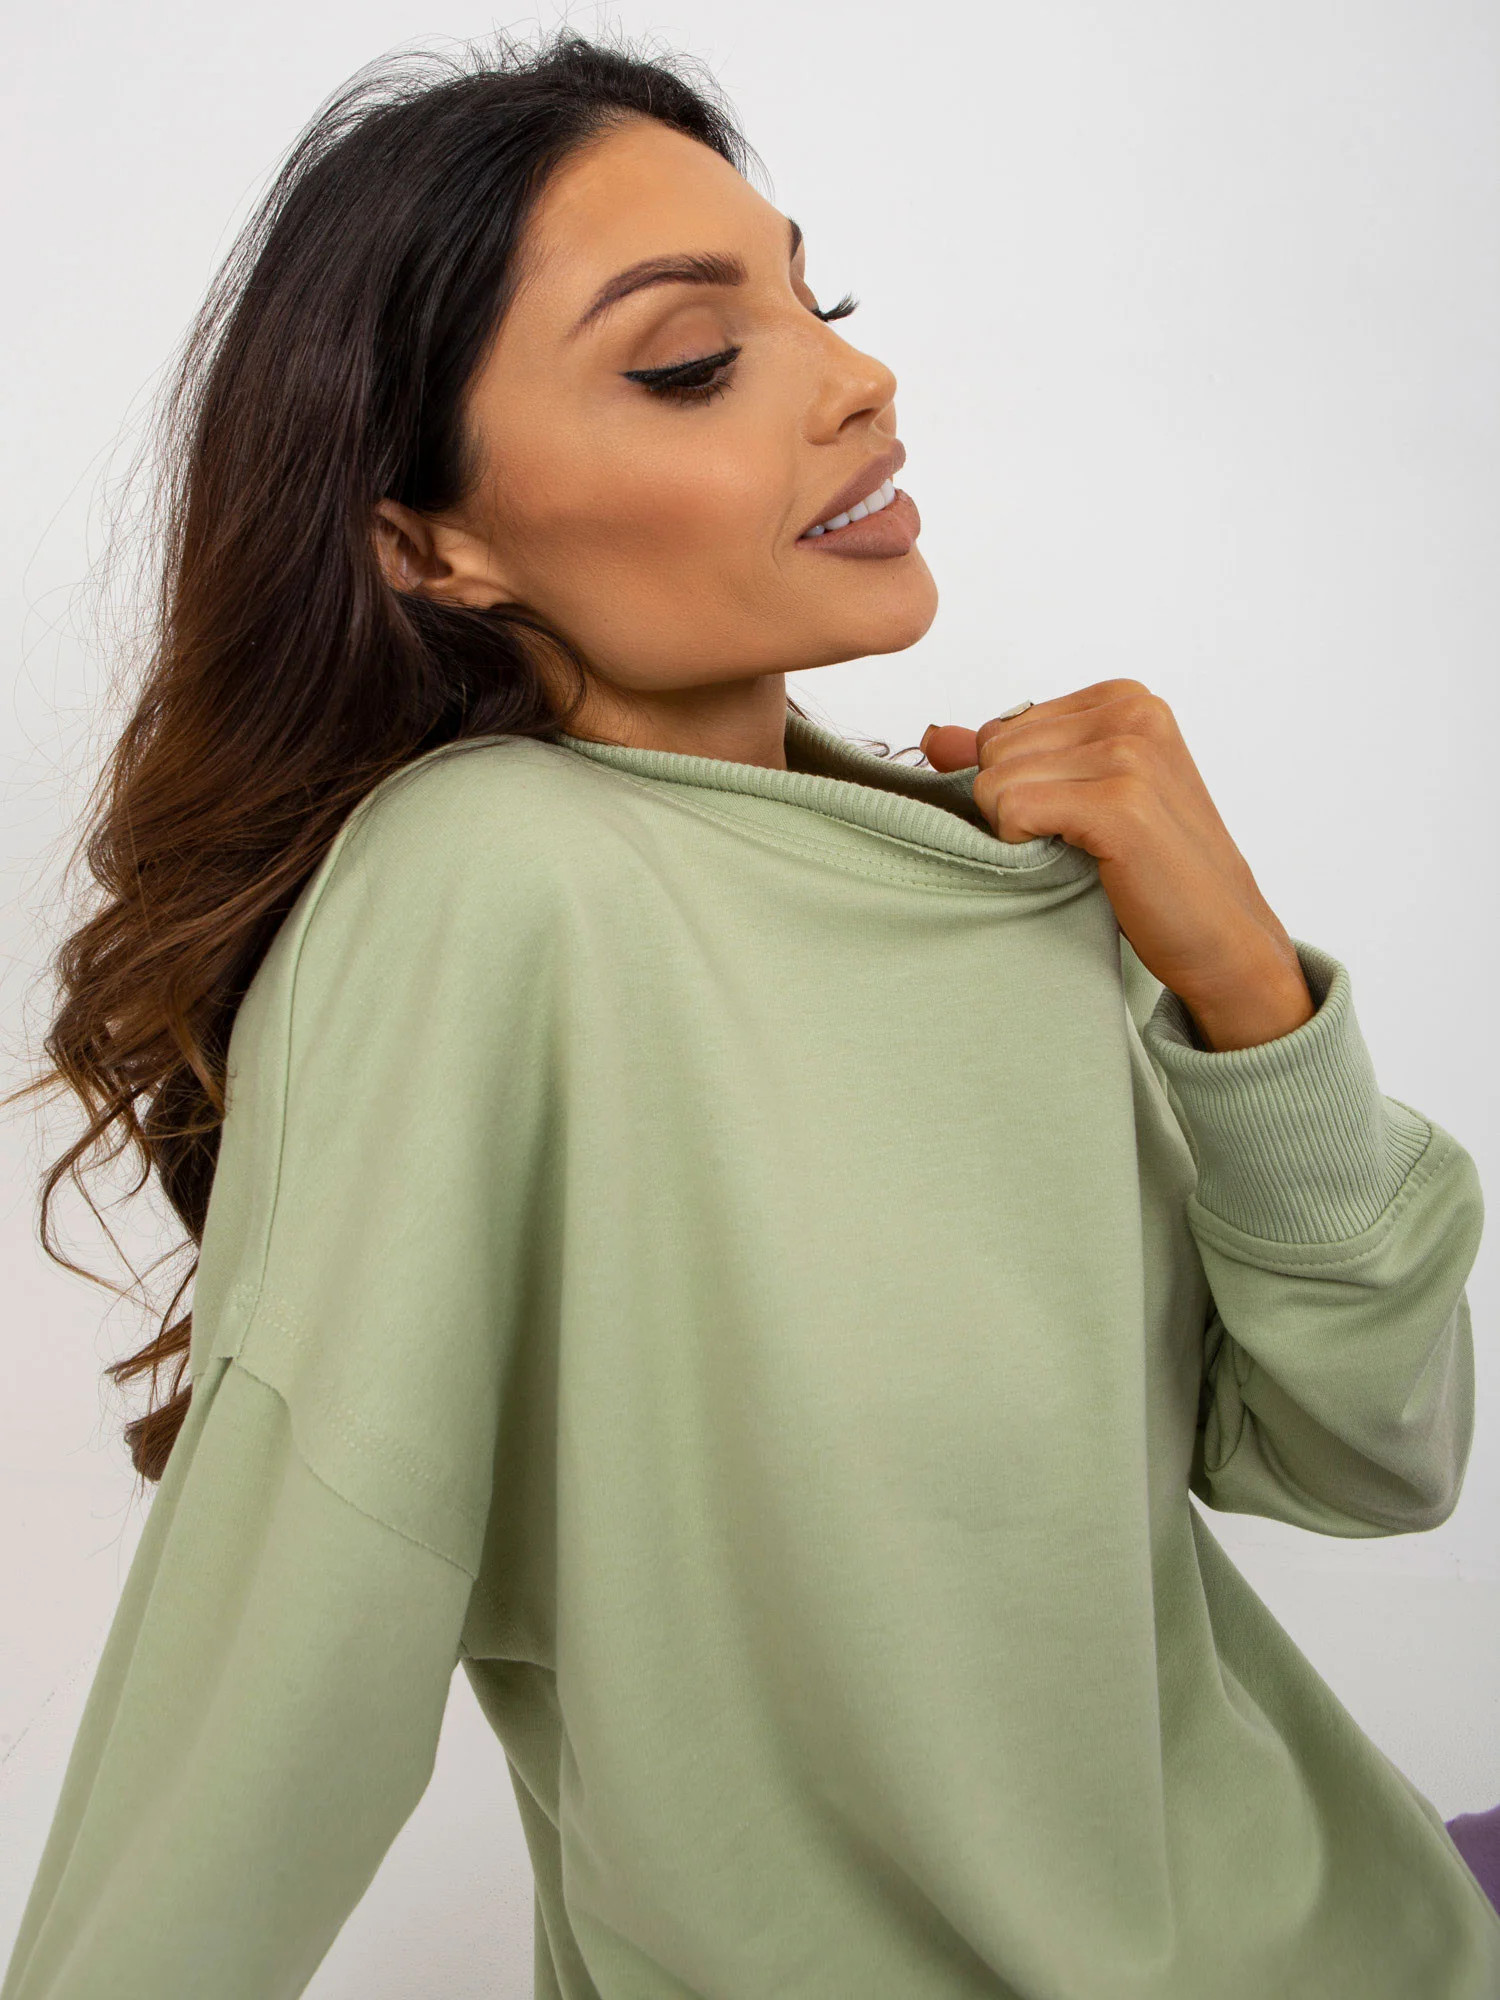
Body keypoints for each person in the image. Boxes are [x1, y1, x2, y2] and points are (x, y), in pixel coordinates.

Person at [4, 26, 1497, 1999]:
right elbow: (289, 1629)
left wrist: (1244, 988)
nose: (858, 382)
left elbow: (1376, 1458)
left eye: (821, 305)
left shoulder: (1004, 871)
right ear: (425, 544)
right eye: (694, 360)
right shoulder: (487, 885)